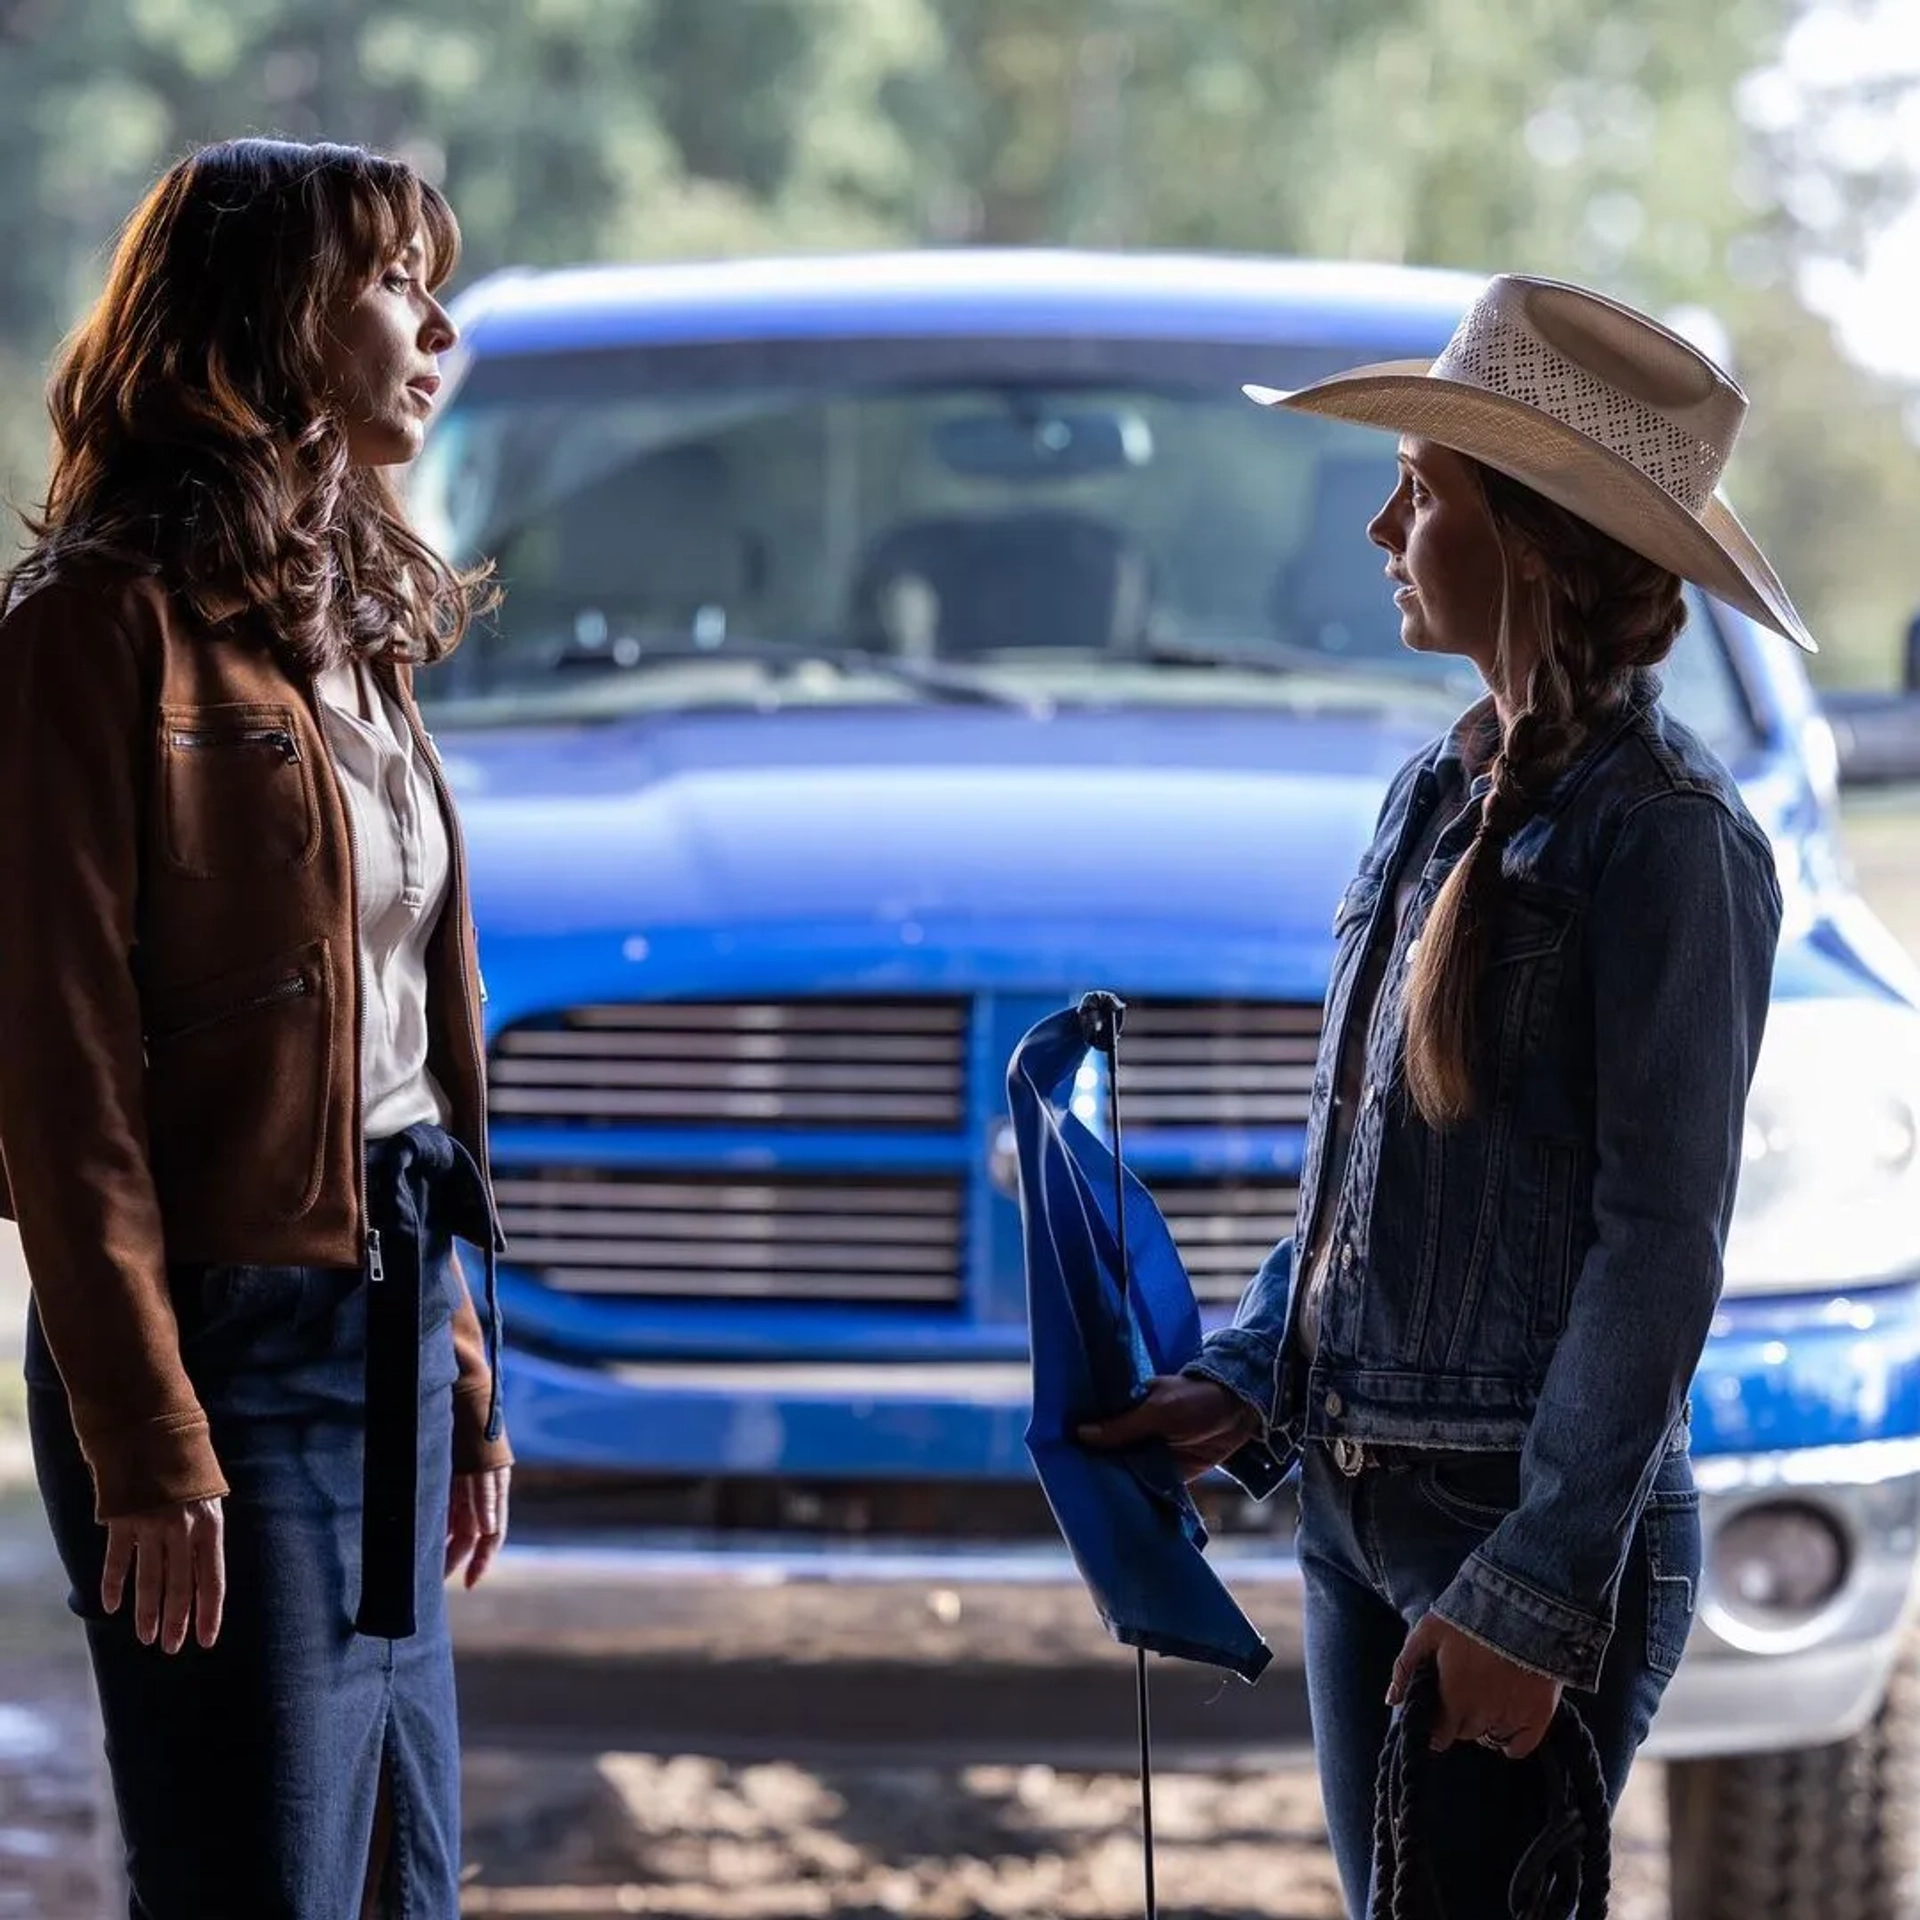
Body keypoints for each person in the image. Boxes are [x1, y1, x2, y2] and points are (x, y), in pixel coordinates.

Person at [1081, 274, 1809, 1914]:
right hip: (1359, 1503)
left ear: (1533, 546)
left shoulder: (1674, 844)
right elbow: (1371, 1179)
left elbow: (1659, 1249)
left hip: (1513, 1532)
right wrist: (1251, 1376)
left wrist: (1541, 1591)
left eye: (1422, 489)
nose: (1379, 527)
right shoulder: (1440, 792)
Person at [0, 139, 511, 1918]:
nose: (437, 324)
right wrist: (145, 1433)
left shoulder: (351, 618)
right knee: (259, 1876)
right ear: (272, 319)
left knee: (399, 1878)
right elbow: (56, 1081)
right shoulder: (92, 627)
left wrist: (462, 1357)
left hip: (388, 1320)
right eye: (392, 281)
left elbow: (390, 1037)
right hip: (219, 1344)